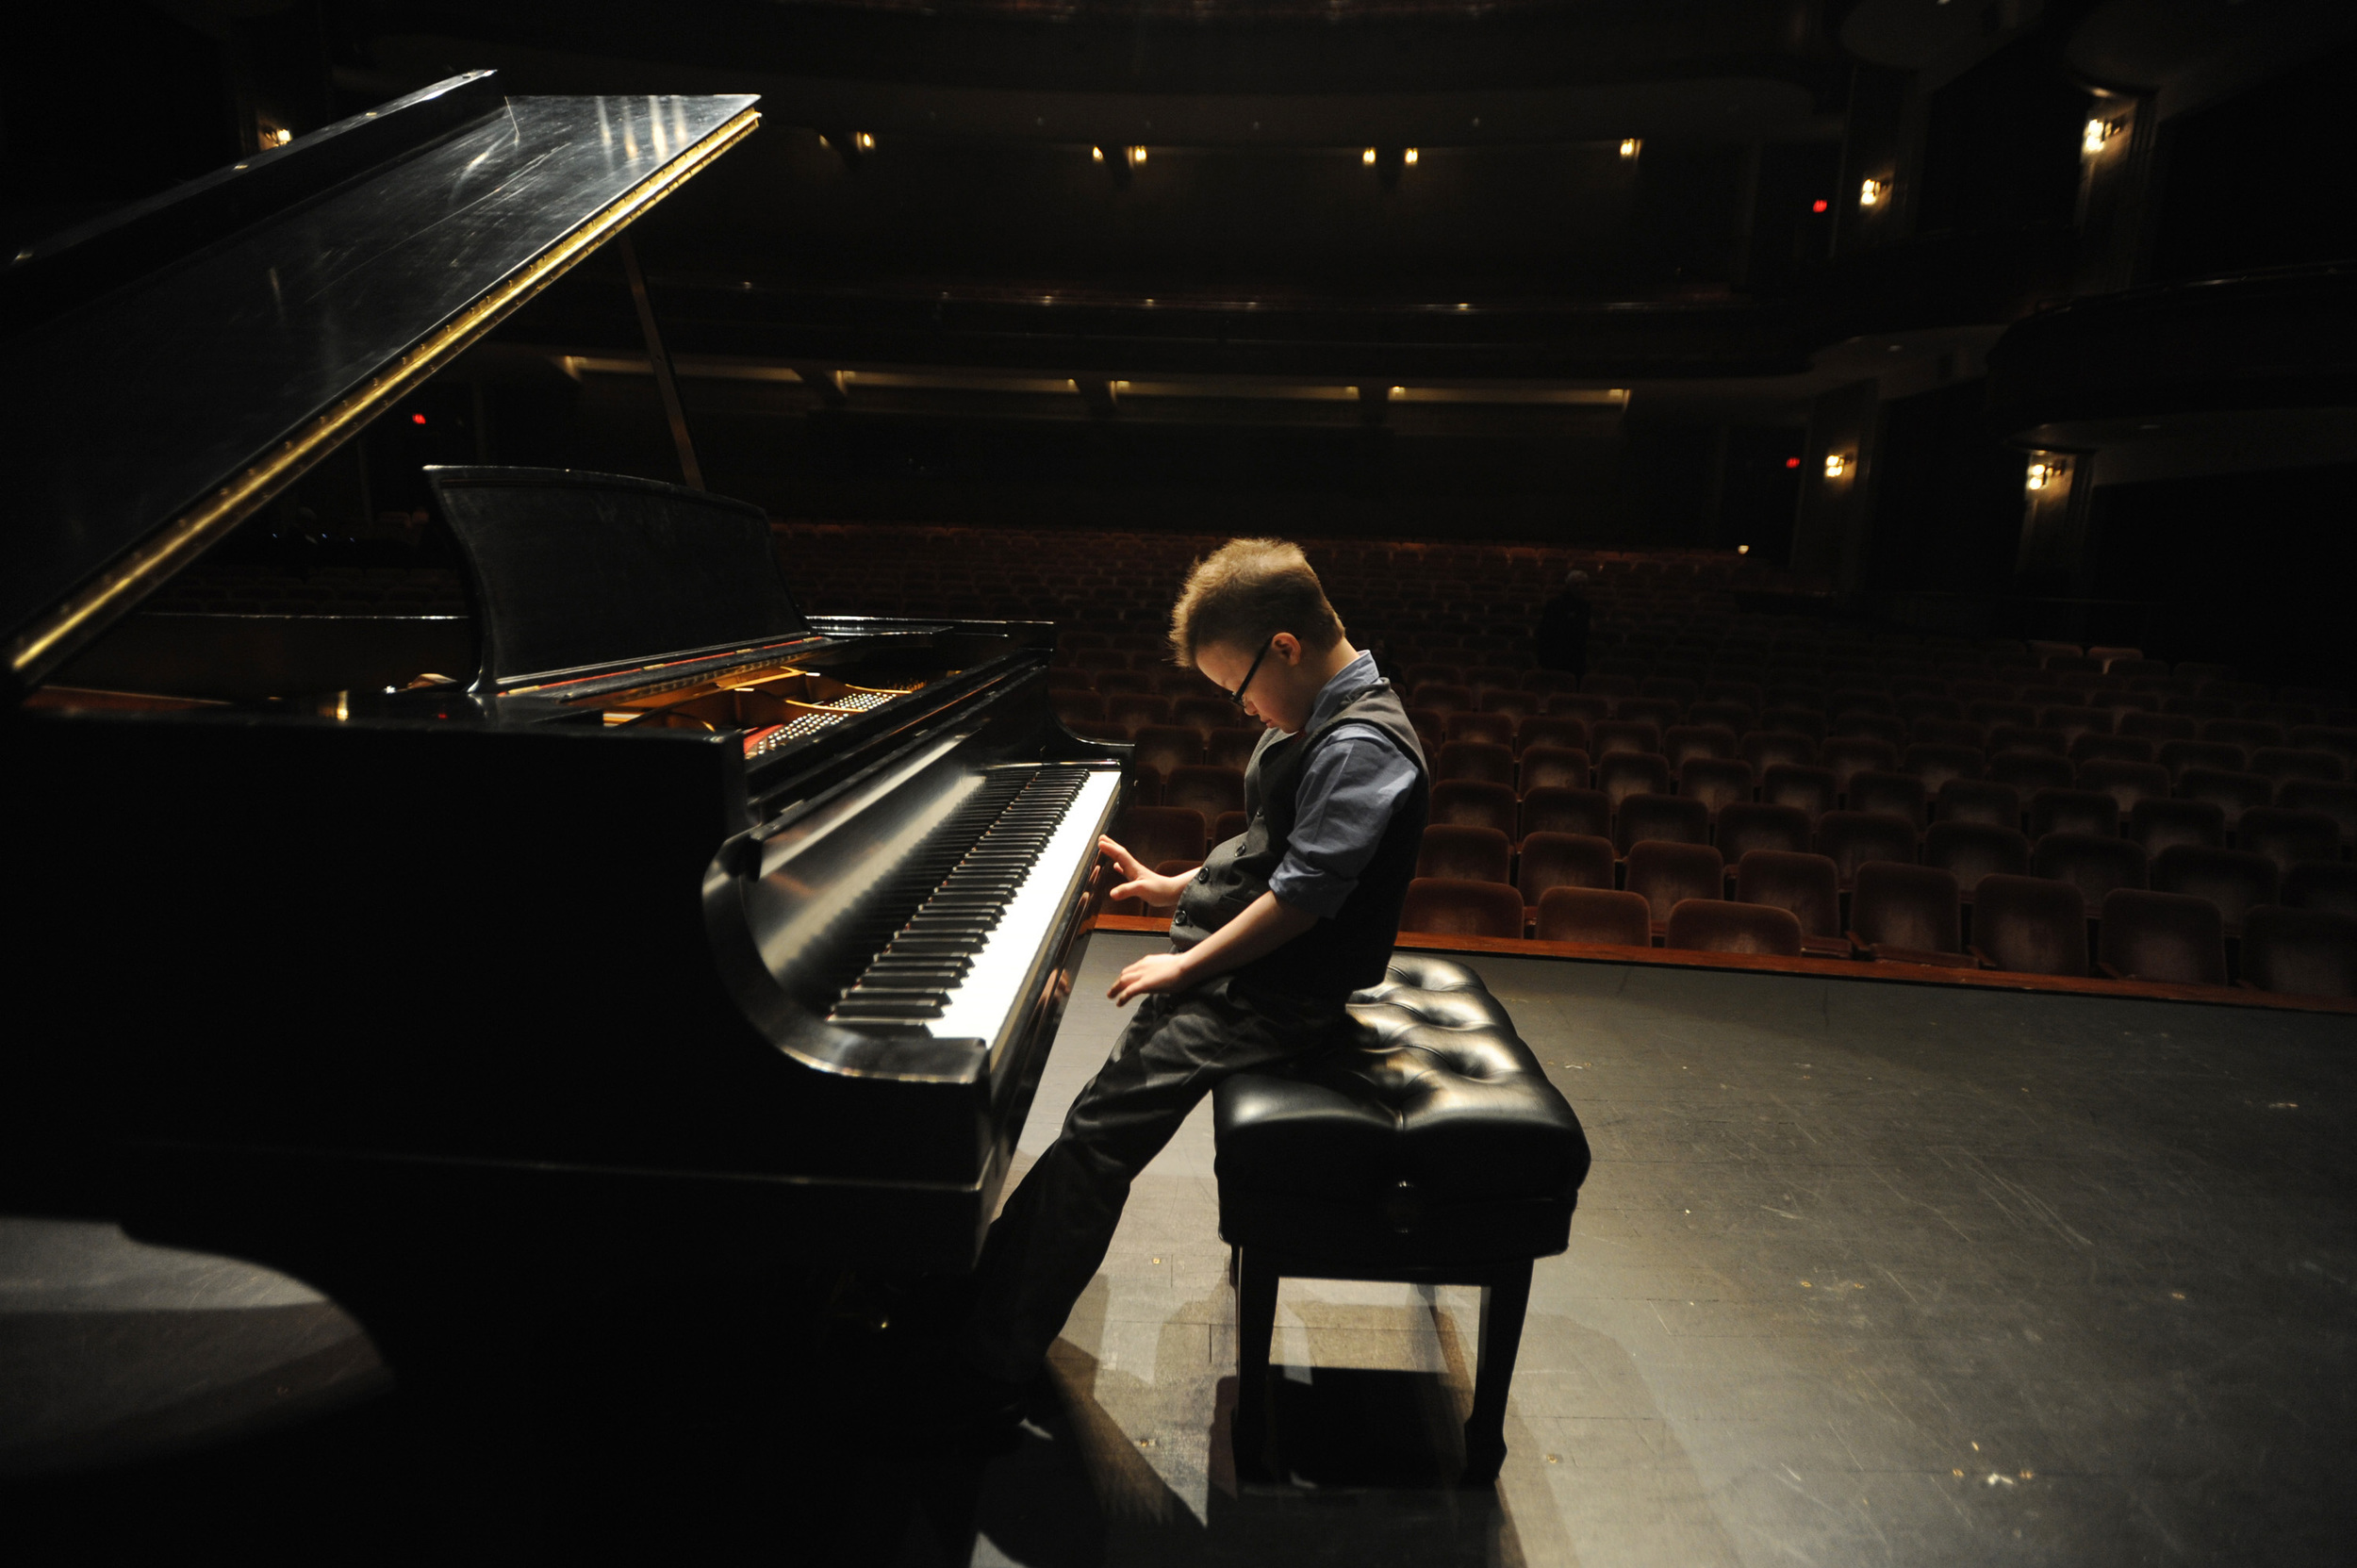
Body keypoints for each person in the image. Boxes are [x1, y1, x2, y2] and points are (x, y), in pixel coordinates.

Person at [951, 537, 1430, 1428]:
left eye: (1237, 685)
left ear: (1283, 646)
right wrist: (1176, 887)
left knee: (1099, 1141)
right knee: (1093, 1123)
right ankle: (981, 1304)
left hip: (1280, 993)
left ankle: (984, 1371)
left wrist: (1186, 961)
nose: (1242, 706)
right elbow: (1266, 848)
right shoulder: (1324, 713)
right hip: (1249, 973)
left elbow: (1299, 899)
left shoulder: (1364, 743)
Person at [1533, 569, 1592, 676]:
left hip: (1576, 656)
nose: (1580, 588)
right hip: (1555, 654)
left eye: (1583, 585)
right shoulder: (1554, 604)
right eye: (1577, 584)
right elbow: (1545, 632)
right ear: (1569, 585)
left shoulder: (1586, 606)